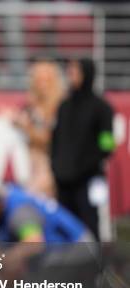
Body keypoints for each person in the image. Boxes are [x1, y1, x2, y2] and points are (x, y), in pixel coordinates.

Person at [50, 58, 116, 240]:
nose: (70, 76)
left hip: (91, 180)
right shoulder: (64, 106)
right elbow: (56, 141)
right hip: (64, 182)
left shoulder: (102, 108)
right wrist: (57, 168)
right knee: (64, 228)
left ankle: (95, 266)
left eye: (75, 71)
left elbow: (107, 146)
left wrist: (82, 168)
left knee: (92, 225)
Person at [0, 59, 64, 198]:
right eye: (38, 79)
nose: (42, 85)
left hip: (49, 168)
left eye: (46, 80)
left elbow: (49, 140)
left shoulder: (60, 107)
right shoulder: (31, 105)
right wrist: (15, 120)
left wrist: (24, 126)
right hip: (29, 165)